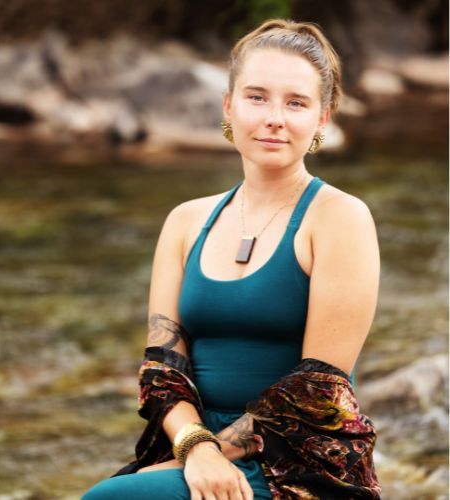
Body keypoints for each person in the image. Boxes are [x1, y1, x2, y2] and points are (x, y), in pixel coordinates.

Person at [82, 17, 381, 500]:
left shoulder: (340, 218)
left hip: (299, 455)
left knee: (109, 499)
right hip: (194, 441)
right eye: (256, 97)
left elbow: (316, 389)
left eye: (296, 102)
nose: (274, 118)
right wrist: (195, 446)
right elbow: (163, 371)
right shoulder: (185, 221)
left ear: (323, 118)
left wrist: (211, 454)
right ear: (228, 105)